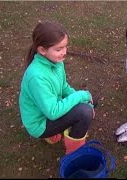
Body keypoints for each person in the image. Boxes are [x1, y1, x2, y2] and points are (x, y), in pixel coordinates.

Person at [19, 21, 95, 155]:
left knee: (89, 104)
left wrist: (84, 100)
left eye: (65, 47)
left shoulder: (55, 62)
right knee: (84, 112)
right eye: (58, 49)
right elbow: (52, 111)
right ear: (42, 50)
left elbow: (64, 87)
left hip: (50, 108)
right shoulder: (36, 77)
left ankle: (64, 129)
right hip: (40, 123)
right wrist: (81, 97)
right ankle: (73, 153)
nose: (64, 53)